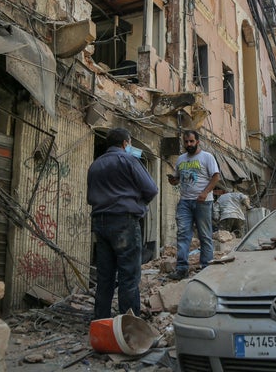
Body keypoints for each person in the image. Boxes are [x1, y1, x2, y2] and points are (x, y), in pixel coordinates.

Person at [87, 127, 158, 319]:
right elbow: (151, 189)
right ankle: (128, 325)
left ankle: (101, 321)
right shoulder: (128, 160)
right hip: (124, 222)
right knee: (128, 276)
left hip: (100, 223)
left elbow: (90, 197)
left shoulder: (95, 165)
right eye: (130, 144)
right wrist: (139, 204)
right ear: (126, 143)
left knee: (105, 276)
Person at [166, 130, 220, 280]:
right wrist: (173, 181)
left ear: (197, 141)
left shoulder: (207, 157)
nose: (188, 144)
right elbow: (178, 178)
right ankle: (182, 268)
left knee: (204, 235)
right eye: (186, 142)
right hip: (184, 202)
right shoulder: (181, 159)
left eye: (191, 141)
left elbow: (216, 176)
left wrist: (205, 192)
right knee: (183, 234)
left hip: (203, 202)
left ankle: (206, 267)